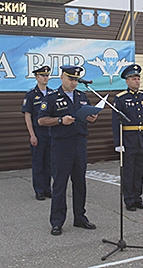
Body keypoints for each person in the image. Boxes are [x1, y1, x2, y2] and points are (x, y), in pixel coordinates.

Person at [38, 65, 98, 236]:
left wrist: (93, 117)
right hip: (61, 145)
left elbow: (89, 117)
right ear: (62, 77)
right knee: (59, 184)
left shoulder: (82, 96)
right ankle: (57, 222)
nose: (74, 83)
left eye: (76, 80)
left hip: (79, 143)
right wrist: (59, 121)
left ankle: (80, 217)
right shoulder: (51, 97)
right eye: (71, 79)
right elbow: (42, 120)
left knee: (80, 183)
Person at [112, 64, 143, 212]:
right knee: (129, 171)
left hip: (142, 139)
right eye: (133, 79)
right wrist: (118, 142)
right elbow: (115, 122)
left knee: (140, 170)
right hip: (128, 140)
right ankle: (129, 199)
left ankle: (138, 198)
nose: (137, 81)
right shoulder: (120, 98)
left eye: (138, 78)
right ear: (127, 81)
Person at [21, 65, 53, 201]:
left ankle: (47, 189)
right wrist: (32, 135)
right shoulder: (31, 95)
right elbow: (27, 116)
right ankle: (39, 190)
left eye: (47, 75)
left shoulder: (53, 93)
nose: (45, 78)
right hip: (38, 132)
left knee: (49, 162)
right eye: (42, 76)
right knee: (38, 162)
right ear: (36, 78)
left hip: (51, 132)